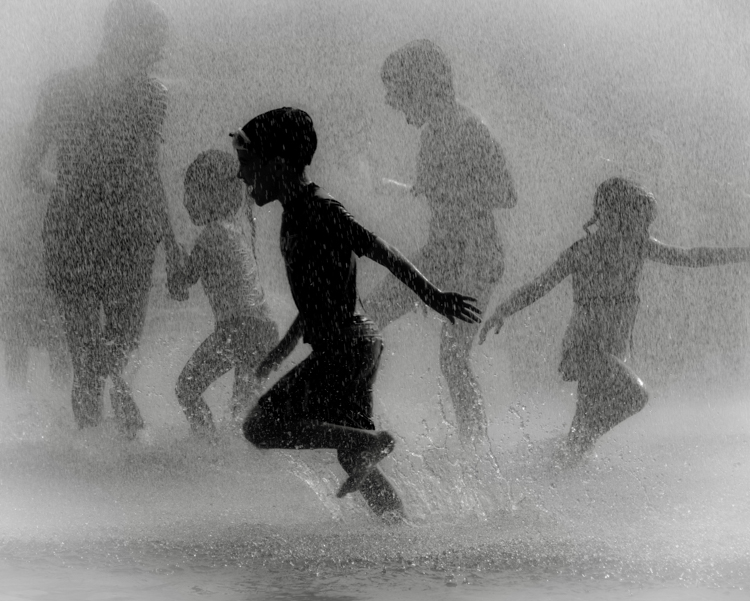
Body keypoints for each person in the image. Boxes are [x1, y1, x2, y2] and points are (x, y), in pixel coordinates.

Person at [233, 108, 481, 521]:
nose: (241, 176)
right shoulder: (297, 212)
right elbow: (317, 298)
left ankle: (370, 440)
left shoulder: (320, 210)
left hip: (346, 347)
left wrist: (434, 296)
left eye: (247, 164)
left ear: (277, 163)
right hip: (355, 343)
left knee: (259, 427)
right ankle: (397, 529)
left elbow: (380, 249)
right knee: (353, 457)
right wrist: (285, 347)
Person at [479, 177, 750, 459]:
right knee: (635, 396)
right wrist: (503, 310)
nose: (636, 228)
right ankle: (570, 447)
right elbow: (541, 285)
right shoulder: (582, 251)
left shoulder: (638, 246)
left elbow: (692, 257)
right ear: (608, 214)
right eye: (630, 219)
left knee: (579, 441)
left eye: (639, 222)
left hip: (612, 349)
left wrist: (743, 253)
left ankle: (553, 471)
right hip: (585, 348)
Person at [19, 0, 184, 437]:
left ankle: (87, 448)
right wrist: (171, 243)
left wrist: (71, 188)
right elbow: (147, 170)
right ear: (132, 38)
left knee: (82, 348)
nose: (161, 50)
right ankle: (120, 413)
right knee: (122, 341)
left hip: (71, 226)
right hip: (129, 226)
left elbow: (28, 169)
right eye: (156, 41)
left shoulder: (61, 87)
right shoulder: (150, 93)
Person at [365, 39, 517, 444]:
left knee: (452, 359)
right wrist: (397, 187)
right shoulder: (433, 133)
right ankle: (348, 419)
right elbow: (434, 191)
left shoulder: (469, 129)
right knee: (368, 317)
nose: (393, 102)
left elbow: (506, 193)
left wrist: (451, 190)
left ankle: (473, 449)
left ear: (423, 85)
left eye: (397, 90)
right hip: (442, 251)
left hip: (475, 254)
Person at [172, 150, 278, 436]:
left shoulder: (211, 236)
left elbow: (181, 283)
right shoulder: (235, 231)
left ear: (212, 195)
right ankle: (239, 466)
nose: (185, 201)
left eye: (191, 193)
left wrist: (174, 259)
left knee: (186, 389)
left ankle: (208, 452)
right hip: (264, 330)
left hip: (240, 329)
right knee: (240, 415)